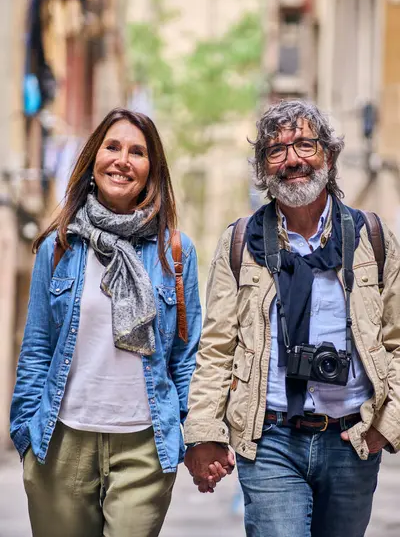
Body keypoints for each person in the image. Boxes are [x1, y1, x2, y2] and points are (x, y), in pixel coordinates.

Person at [184, 99, 400, 537]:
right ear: (263, 169)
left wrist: (386, 424)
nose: (292, 160)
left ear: (330, 156)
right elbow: (216, 347)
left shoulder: (371, 239)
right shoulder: (240, 242)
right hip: (270, 439)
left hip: (352, 439)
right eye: (276, 151)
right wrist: (204, 431)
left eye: (305, 144)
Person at [10, 108, 202, 537]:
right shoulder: (58, 247)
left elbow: (186, 357)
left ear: (151, 171)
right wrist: (24, 432)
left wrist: (187, 432)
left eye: (137, 152)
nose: (122, 159)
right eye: (112, 146)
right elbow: (37, 347)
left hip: (143, 445)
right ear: (92, 160)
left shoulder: (175, 252)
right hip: (60, 443)